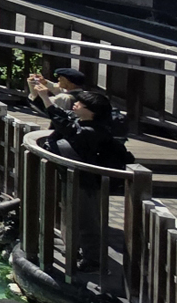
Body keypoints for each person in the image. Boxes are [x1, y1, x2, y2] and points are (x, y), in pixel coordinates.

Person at [31, 84, 132, 272]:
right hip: (74, 178)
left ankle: (93, 261)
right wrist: (39, 94)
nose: (75, 104)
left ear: (92, 112)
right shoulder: (82, 123)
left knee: (88, 221)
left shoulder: (93, 131)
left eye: (80, 104)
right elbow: (60, 117)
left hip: (87, 182)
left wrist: (47, 98)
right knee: (72, 216)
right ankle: (74, 250)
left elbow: (66, 126)